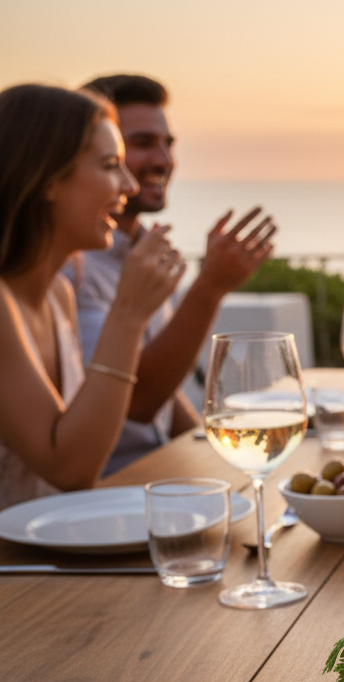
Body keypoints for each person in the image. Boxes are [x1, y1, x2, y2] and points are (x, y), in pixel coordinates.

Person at [67, 74, 277, 474]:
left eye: (168, 143)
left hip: (162, 465)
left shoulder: (143, 248)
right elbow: (138, 400)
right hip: (115, 481)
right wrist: (209, 287)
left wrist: (215, 455)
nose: (164, 160)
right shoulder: (72, 268)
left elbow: (164, 394)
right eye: (142, 143)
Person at [0, 84, 182, 510]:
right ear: (47, 179)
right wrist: (129, 314)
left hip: (51, 540)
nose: (129, 185)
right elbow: (70, 470)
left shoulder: (59, 294)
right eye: (110, 166)